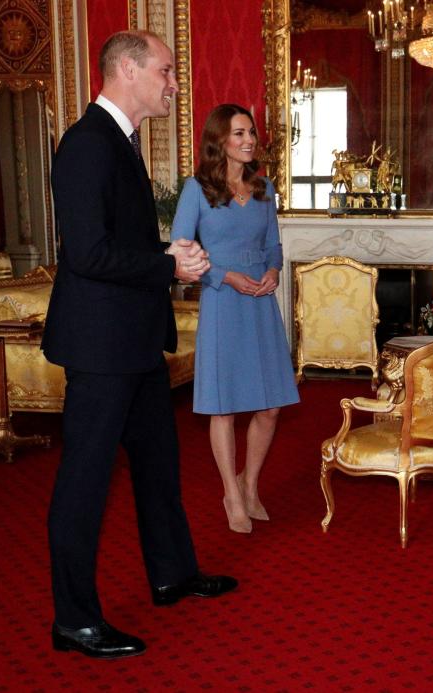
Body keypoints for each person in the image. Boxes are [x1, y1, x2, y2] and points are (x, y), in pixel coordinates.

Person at [43, 30, 237, 660]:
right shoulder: (87, 145)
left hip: (134, 341)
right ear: (126, 69)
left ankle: (171, 574)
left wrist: (165, 254)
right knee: (85, 484)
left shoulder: (119, 142)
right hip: (100, 348)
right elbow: (88, 253)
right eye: (166, 69)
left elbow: (118, 239)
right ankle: (73, 620)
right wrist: (168, 265)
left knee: (158, 468)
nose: (174, 82)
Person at [171, 104, 299, 534]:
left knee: (270, 405)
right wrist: (226, 277)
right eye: (239, 134)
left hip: (260, 302)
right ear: (220, 140)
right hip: (223, 301)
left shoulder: (264, 188)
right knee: (223, 407)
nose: (248, 141)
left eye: (251, 134)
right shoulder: (197, 189)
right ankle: (230, 492)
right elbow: (181, 251)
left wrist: (273, 272)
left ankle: (250, 482)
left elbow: (273, 246)